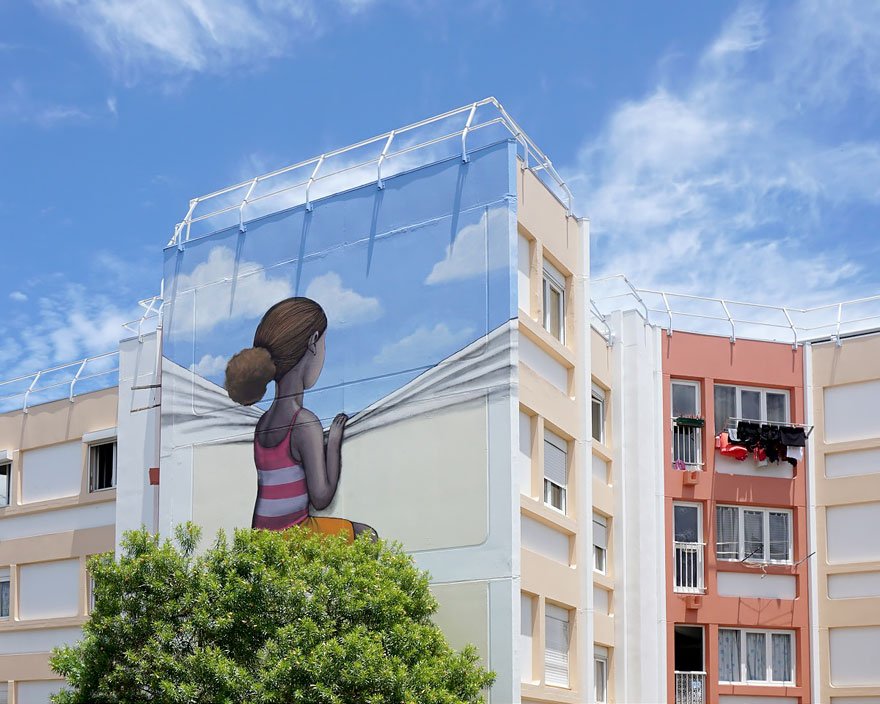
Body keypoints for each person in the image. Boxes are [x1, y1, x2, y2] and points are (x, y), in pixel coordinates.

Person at [224, 297, 375, 541]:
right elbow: (321, 498)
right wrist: (333, 442)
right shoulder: (304, 423)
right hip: (294, 536)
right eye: (324, 345)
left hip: (261, 539)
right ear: (313, 343)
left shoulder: (262, 425)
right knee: (367, 536)